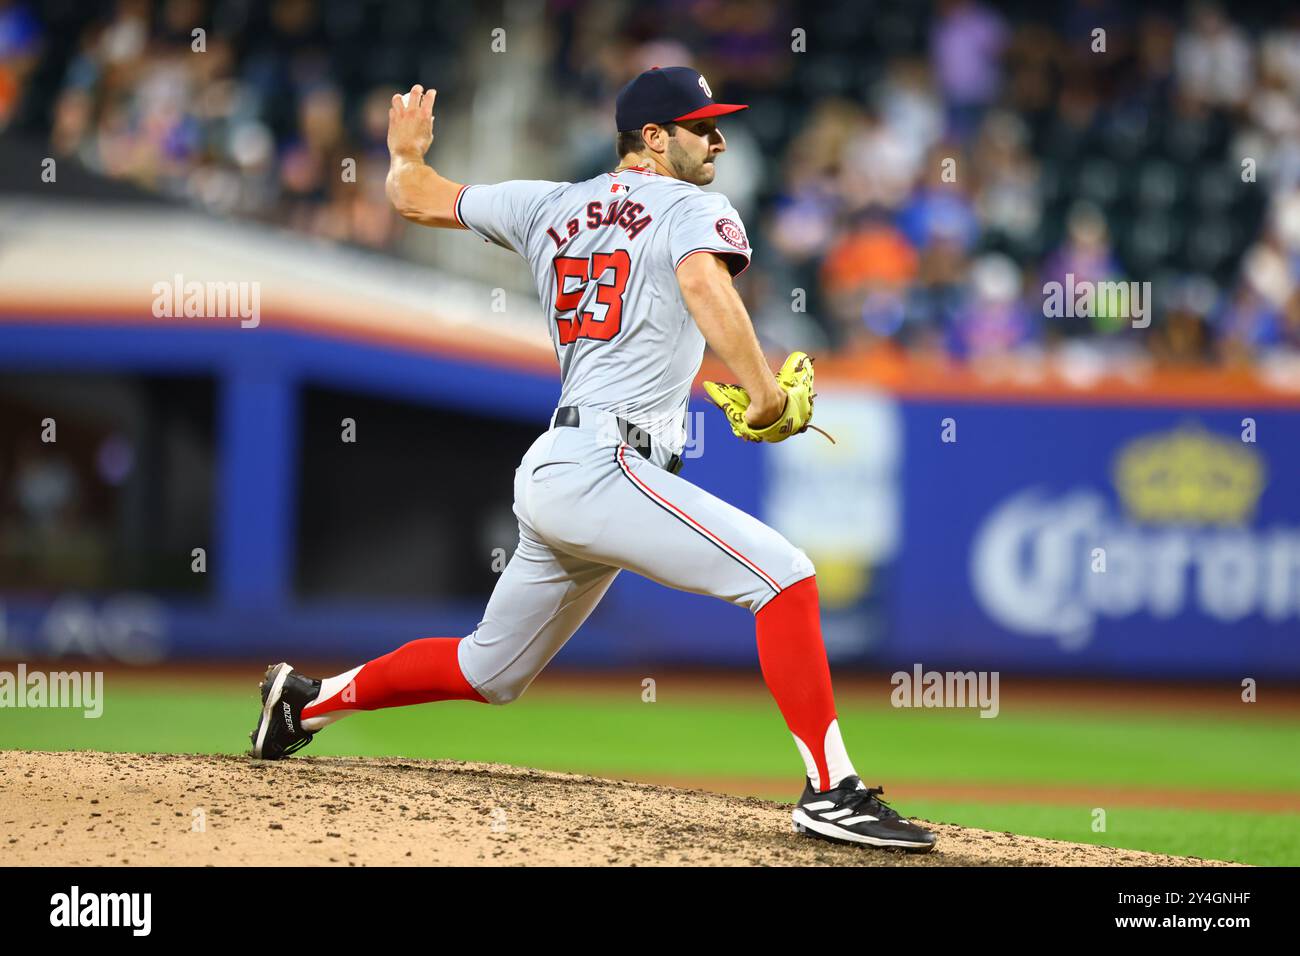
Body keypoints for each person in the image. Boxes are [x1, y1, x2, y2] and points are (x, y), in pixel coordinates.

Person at [249, 66, 936, 852]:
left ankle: (304, 702)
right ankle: (831, 789)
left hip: (562, 466)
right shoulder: (690, 204)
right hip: (606, 462)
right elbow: (703, 284)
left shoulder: (547, 203)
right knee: (785, 576)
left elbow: (415, 197)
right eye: (701, 126)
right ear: (652, 137)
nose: (716, 139)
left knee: (489, 672)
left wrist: (404, 154)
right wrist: (765, 392)